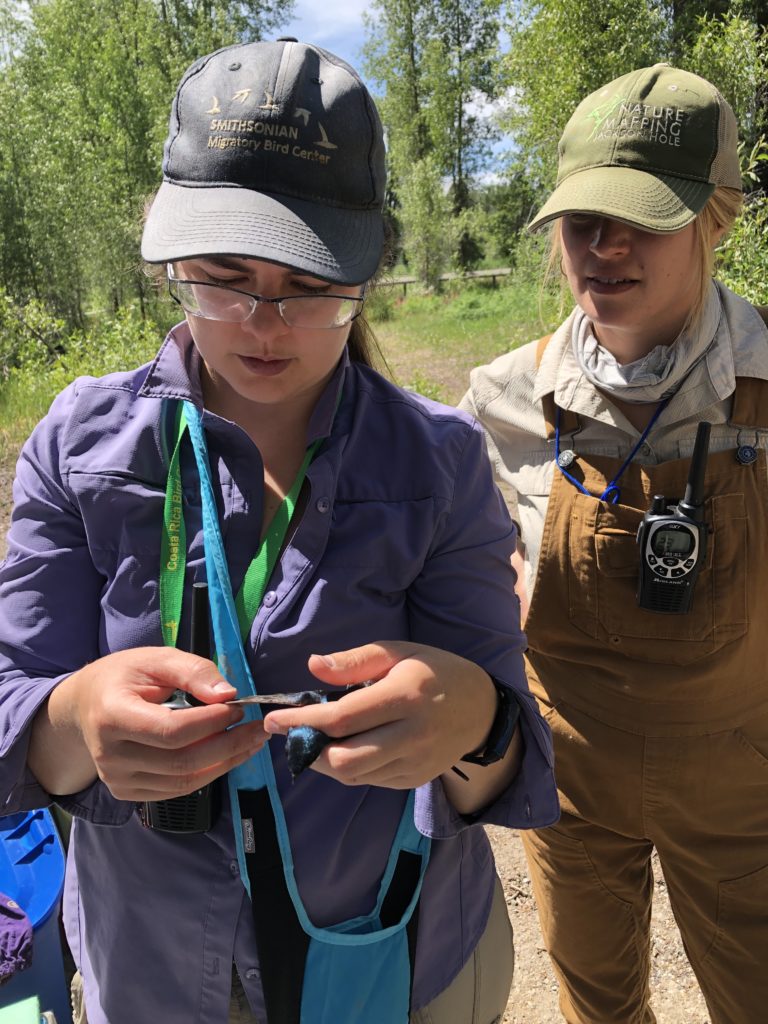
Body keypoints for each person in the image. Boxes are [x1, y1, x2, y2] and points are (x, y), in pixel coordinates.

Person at [0, 37, 558, 1024]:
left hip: (398, 965)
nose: (264, 323)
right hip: (152, 975)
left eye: (308, 286)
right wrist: (73, 719)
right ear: (166, 248)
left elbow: (505, 749)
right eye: (221, 277)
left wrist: (470, 714)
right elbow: (14, 714)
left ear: (368, 268)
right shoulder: (78, 445)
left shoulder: (439, 460)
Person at [461, 63, 768, 1024]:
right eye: (583, 218)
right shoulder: (501, 406)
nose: (606, 247)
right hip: (569, 791)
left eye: (647, 216)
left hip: (744, 786)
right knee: (596, 1008)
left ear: (719, 218)